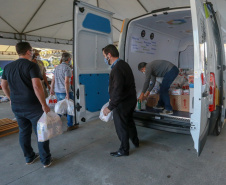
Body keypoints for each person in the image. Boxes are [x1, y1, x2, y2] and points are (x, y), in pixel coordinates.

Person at [1, 42, 52, 168]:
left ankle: (29, 157)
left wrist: (10, 98)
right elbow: (37, 86)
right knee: (41, 132)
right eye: (31, 51)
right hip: (33, 106)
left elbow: (3, 85)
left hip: (17, 106)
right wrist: (44, 104)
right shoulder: (31, 66)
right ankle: (45, 160)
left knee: (24, 132)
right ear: (28, 51)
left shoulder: (8, 67)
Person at [102, 44, 139, 157]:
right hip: (130, 100)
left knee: (121, 127)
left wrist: (110, 107)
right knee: (129, 122)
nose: (104, 59)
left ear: (109, 55)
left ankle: (124, 150)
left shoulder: (117, 69)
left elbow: (118, 90)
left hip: (122, 103)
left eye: (104, 56)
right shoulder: (123, 64)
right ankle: (135, 142)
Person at [50, 52, 78, 131]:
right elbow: (66, 82)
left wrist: (51, 89)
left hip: (57, 91)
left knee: (60, 108)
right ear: (69, 59)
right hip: (64, 91)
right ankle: (70, 125)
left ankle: (54, 123)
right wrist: (67, 93)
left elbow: (53, 79)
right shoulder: (67, 68)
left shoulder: (57, 67)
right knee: (70, 108)